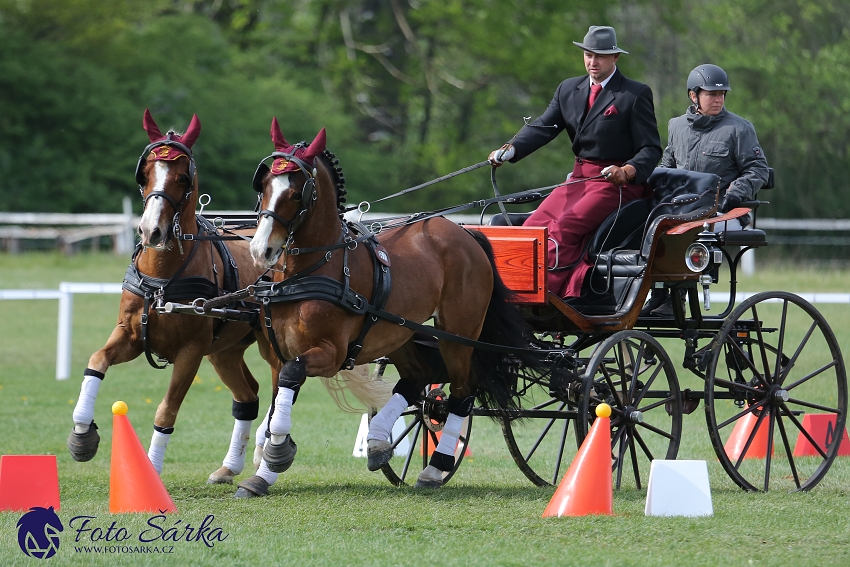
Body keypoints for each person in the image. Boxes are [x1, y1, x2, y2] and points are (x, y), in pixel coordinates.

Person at [488, 25, 662, 299]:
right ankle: (514, 291)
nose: (593, 62)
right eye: (588, 55)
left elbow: (651, 148)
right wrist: (512, 149)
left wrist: (627, 171)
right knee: (533, 228)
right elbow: (544, 126)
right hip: (580, 179)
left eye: (600, 56)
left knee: (562, 229)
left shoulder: (634, 94)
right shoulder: (568, 89)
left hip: (615, 184)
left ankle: (548, 297)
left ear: (615, 57)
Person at [642, 63, 770, 315]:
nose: (718, 99)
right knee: (645, 224)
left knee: (685, 231)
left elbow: (758, 170)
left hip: (724, 213)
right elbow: (666, 168)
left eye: (722, 94)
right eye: (711, 94)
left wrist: (735, 193)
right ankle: (657, 295)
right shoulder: (676, 127)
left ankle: (673, 299)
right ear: (693, 95)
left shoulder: (739, 129)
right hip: (681, 212)